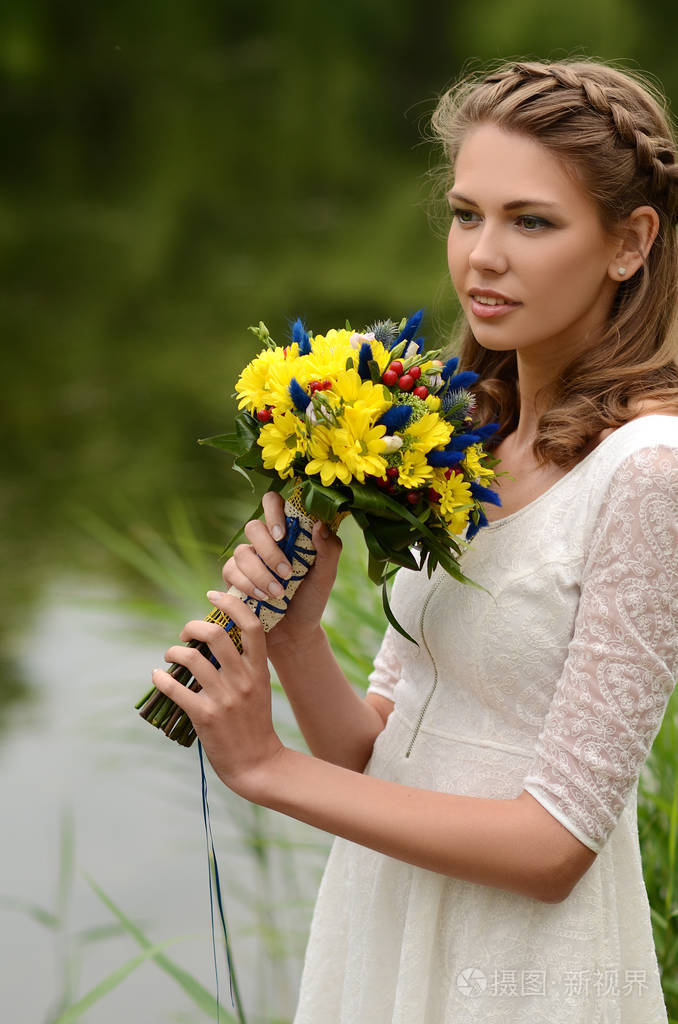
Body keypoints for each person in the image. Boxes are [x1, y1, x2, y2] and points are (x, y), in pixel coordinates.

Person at [152, 59, 678, 1022]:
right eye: (467, 213)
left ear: (629, 242)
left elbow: (554, 848)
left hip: (520, 971)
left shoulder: (649, 470)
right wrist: (299, 637)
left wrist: (267, 770)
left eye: (531, 221)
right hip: (384, 922)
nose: (483, 256)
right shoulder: (465, 436)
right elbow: (374, 751)